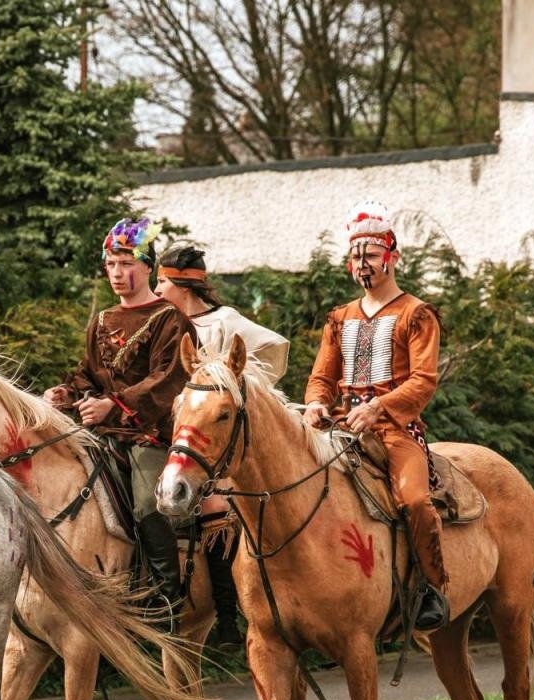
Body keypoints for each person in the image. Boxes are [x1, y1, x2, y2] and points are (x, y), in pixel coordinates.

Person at [301, 200, 449, 631]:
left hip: (396, 429)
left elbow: (423, 381)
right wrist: (314, 403)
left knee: (416, 501)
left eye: (370, 254)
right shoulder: (339, 317)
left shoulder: (416, 314)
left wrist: (379, 406)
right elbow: (321, 377)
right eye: (355, 256)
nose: (362, 263)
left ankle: (430, 588)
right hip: (343, 427)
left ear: (392, 257)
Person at [43, 218, 195, 620]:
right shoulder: (102, 320)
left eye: (126, 263)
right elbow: (88, 374)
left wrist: (114, 405)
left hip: (150, 434)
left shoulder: (171, 320)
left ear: (147, 267)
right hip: (100, 431)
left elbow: (169, 379)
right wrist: (66, 393)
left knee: (149, 501)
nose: (116, 273)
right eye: (110, 264)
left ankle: (166, 595)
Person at [156, 244, 290, 648]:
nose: (157, 288)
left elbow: (273, 348)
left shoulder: (223, 322)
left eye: (161, 281)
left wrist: (239, 379)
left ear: (181, 285)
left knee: (215, 507)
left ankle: (228, 615)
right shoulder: (161, 322)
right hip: (174, 430)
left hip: (215, 437)